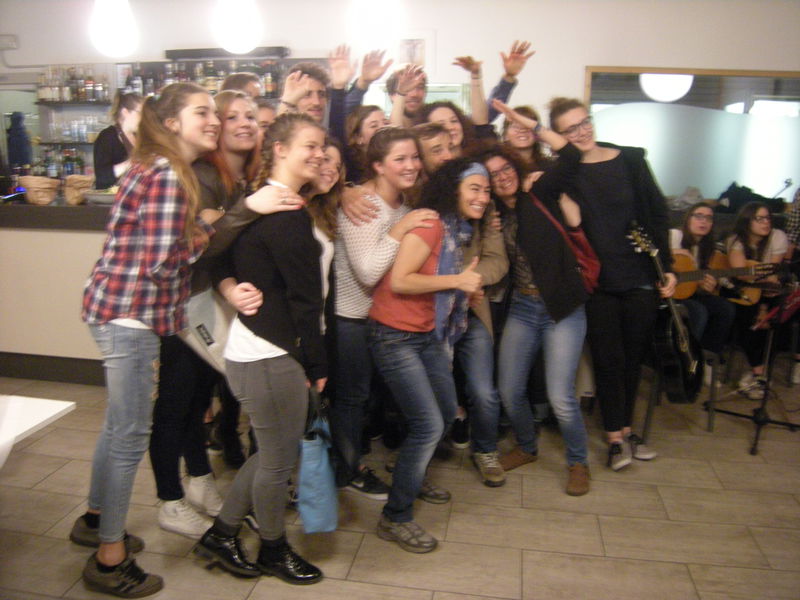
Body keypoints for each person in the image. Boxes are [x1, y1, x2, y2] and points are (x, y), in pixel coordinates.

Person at [73, 82, 219, 598]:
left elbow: (150, 246)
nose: (214, 120)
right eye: (202, 112)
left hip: (116, 309)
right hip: (130, 317)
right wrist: (206, 235)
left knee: (118, 428)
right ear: (173, 122)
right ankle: (109, 558)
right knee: (130, 435)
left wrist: (193, 232)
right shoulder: (167, 175)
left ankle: (95, 520)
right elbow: (160, 262)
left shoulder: (154, 166)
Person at [150, 90, 304, 539]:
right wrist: (239, 214)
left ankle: (199, 482)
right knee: (175, 404)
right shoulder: (200, 175)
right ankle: (169, 499)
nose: (242, 124)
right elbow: (204, 248)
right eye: (229, 116)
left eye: (250, 116)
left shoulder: (245, 179)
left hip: (214, 305)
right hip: (184, 305)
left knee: (198, 401)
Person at [194, 113, 328, 585]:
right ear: (280, 150)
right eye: (309, 145)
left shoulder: (260, 205)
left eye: (322, 146)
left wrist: (231, 285)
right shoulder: (282, 214)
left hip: (257, 352)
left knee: (270, 452)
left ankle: (222, 534)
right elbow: (306, 301)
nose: (319, 154)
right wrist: (316, 363)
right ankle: (273, 548)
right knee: (277, 460)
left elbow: (223, 259)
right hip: (272, 355)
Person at [550, 97, 676, 471]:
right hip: (598, 282)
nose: (581, 131)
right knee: (608, 359)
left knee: (633, 359)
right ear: (559, 137)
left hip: (640, 276)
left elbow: (657, 213)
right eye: (570, 129)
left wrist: (666, 268)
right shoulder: (565, 175)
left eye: (584, 122)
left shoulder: (631, 159)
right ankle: (614, 439)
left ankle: (627, 429)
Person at [368, 157, 488, 553]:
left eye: (486, 190)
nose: (483, 196)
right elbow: (401, 280)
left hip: (424, 334)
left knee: (446, 409)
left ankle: (409, 473)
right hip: (394, 335)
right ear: (454, 189)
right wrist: (457, 281)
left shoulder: (457, 230)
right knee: (428, 425)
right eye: (474, 188)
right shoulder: (432, 224)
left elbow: (437, 283)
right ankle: (395, 516)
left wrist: (462, 289)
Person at [482, 102, 591, 495]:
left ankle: (578, 462)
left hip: (563, 308)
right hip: (524, 308)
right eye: (493, 175)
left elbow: (572, 155)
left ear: (516, 167)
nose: (503, 177)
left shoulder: (539, 191)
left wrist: (528, 123)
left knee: (561, 397)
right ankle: (527, 446)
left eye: (506, 169)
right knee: (509, 389)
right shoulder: (491, 214)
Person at [333, 127, 436, 499]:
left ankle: (365, 465)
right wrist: (400, 229)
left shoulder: (404, 204)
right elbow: (368, 272)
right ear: (378, 165)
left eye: (414, 157)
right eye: (400, 159)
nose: (411, 165)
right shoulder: (363, 204)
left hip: (384, 320)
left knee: (375, 399)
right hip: (351, 318)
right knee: (352, 398)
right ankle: (347, 471)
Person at [725, 201, 789, 399]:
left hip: (769, 290)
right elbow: (740, 273)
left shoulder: (777, 236)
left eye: (767, 218)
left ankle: (759, 370)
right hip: (742, 290)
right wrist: (759, 277)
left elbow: (771, 271)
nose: (765, 222)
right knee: (748, 315)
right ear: (747, 221)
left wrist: (762, 280)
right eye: (759, 218)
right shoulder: (735, 240)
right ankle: (758, 372)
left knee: (782, 315)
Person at [669, 202, 735, 358]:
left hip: (688, 293)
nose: (704, 221)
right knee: (698, 311)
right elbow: (656, 253)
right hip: (668, 293)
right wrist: (678, 251)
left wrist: (705, 286)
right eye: (699, 216)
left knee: (725, 308)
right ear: (688, 219)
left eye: (709, 218)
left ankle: (708, 357)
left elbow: (692, 282)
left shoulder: (708, 249)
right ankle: (687, 359)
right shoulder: (675, 235)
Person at [92, 91, 143, 189]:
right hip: (112, 196)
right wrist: (131, 163)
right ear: (125, 112)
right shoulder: (107, 137)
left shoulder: (140, 136)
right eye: (140, 113)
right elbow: (102, 176)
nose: (143, 118)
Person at [343, 104, 388, 183]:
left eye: (386, 123)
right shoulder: (350, 167)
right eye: (374, 126)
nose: (383, 128)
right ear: (358, 137)